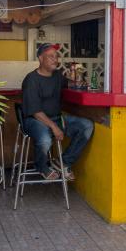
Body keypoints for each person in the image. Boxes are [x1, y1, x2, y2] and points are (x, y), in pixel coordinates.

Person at [21, 43, 94, 181]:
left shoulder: (57, 76)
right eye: (51, 56)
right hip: (35, 120)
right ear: (41, 58)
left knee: (86, 126)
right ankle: (41, 167)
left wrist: (80, 80)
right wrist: (54, 127)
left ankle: (63, 162)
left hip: (56, 118)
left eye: (56, 56)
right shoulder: (31, 80)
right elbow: (36, 112)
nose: (55, 59)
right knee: (45, 139)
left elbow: (71, 84)